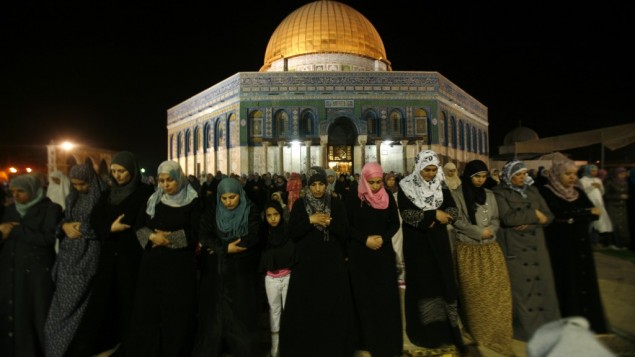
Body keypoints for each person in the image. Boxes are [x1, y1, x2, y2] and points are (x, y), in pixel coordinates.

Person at [66, 151, 155, 355]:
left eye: (122, 171)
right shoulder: (108, 193)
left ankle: (130, 339)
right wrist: (109, 228)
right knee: (106, 298)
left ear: (132, 170)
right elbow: (95, 220)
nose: (117, 175)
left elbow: (140, 221)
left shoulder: (144, 192)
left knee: (129, 298)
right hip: (108, 254)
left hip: (131, 254)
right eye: (114, 171)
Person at [124, 160, 200, 356]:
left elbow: (196, 232)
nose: (165, 185)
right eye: (162, 180)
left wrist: (168, 240)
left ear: (180, 179)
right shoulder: (154, 200)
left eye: (170, 180)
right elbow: (139, 225)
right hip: (153, 265)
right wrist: (151, 236)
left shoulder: (193, 201)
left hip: (179, 267)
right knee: (151, 308)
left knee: (176, 311)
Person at [279, 166, 355, 357]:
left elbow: (345, 231)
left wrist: (330, 222)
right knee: (308, 308)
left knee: (331, 307)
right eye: (314, 185)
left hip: (331, 265)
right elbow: (293, 233)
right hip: (307, 266)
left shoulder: (336, 203)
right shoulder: (299, 205)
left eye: (322, 184)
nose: (319, 189)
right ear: (308, 186)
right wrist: (310, 220)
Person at [397, 150, 463, 354]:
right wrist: (433, 214)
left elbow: (453, 209)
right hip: (418, 245)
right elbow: (407, 213)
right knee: (423, 284)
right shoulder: (406, 186)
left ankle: (444, 331)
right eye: (427, 169)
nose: (431, 174)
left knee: (443, 282)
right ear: (419, 168)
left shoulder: (441, 185)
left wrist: (446, 216)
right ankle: (424, 332)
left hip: (439, 242)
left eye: (434, 169)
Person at [193, 177, 262, 357]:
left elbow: (253, 237)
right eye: (224, 198)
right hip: (216, 273)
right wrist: (225, 247)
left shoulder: (250, 210)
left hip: (241, 272)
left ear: (239, 194)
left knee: (240, 315)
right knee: (215, 314)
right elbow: (204, 234)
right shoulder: (213, 210)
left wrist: (218, 248)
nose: (228, 202)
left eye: (232, 197)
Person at [449, 160, 513, 356]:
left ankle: (497, 333)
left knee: (496, 293)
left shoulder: (490, 195)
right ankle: (479, 333)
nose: (480, 180)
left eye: (483, 176)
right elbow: (458, 220)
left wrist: (489, 231)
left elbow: (495, 219)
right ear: (469, 176)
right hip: (469, 251)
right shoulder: (457, 194)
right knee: (474, 295)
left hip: (490, 250)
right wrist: (478, 232)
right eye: (476, 176)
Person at [492, 160, 560, 341]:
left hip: (538, 249)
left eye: (523, 174)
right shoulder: (500, 193)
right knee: (523, 291)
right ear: (508, 176)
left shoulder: (533, 191)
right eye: (517, 175)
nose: (522, 178)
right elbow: (508, 218)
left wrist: (533, 220)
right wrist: (535, 215)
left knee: (543, 288)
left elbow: (549, 217)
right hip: (516, 249)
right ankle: (526, 331)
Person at [538, 159, 608, 334]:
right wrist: (583, 213)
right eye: (567, 174)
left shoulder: (577, 191)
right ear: (556, 174)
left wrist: (577, 216)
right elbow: (558, 213)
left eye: (574, 174)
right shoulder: (547, 192)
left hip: (581, 244)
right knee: (566, 280)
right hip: (561, 245)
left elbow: (595, 212)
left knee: (583, 280)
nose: (571, 178)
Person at [44, 164, 105, 357]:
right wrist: (65, 226)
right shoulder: (72, 197)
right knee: (61, 306)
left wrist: (82, 229)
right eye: (75, 184)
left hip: (86, 258)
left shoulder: (102, 197)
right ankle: (54, 347)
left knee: (76, 306)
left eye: (82, 184)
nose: (78, 187)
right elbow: (63, 220)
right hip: (67, 258)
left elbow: (103, 226)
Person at [0, 173, 63, 356]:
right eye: (13, 191)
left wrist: (16, 231)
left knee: (34, 314)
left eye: (21, 191)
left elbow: (48, 238)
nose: (16, 196)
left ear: (33, 190)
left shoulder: (51, 209)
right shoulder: (10, 210)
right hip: (10, 270)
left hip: (36, 274)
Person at [346, 162, 403, 357]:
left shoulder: (387, 198)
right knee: (364, 299)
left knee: (383, 299)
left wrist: (382, 238)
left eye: (379, 182)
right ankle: (364, 340)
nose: (377, 186)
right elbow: (347, 225)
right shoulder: (355, 198)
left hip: (382, 255)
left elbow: (395, 223)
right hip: (361, 256)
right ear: (364, 180)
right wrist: (365, 240)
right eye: (372, 182)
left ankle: (384, 339)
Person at [260, 199, 295, 357]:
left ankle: (288, 345)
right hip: (271, 279)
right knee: (274, 312)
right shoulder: (264, 234)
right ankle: (275, 348)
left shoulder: (288, 232)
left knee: (288, 312)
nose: (273, 218)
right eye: (269, 215)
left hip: (287, 276)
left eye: (275, 215)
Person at [578, 164, 613, 248]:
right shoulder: (582, 180)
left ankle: (595, 241)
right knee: (589, 224)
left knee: (597, 224)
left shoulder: (598, 180)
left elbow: (602, 192)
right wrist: (591, 187)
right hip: (589, 204)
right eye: (592, 171)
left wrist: (600, 187)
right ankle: (586, 241)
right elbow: (582, 193)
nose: (594, 172)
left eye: (595, 171)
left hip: (599, 204)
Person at [384, 171, 405, 284]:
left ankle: (401, 271)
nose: (391, 182)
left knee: (399, 245)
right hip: (388, 222)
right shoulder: (383, 192)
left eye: (393, 179)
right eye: (389, 180)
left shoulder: (399, 191)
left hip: (399, 221)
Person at [603, 167, 630, 250]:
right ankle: (612, 243)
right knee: (613, 224)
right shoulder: (610, 182)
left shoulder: (625, 183)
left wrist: (626, 197)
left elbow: (626, 193)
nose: (623, 175)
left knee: (622, 225)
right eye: (621, 174)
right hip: (612, 206)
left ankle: (623, 244)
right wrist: (618, 197)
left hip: (622, 207)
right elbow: (606, 195)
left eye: (624, 174)